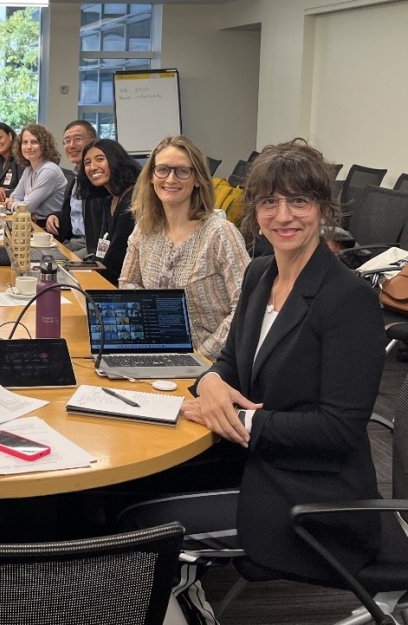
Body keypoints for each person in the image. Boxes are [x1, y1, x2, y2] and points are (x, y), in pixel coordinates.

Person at [123, 139, 386, 625]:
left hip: (314, 497)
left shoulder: (348, 300)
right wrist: (210, 384)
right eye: (269, 201)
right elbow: (230, 364)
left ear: (324, 209)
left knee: (141, 527)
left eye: (299, 201)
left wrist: (237, 417)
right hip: (255, 462)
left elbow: (338, 431)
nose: (283, 215)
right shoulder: (261, 274)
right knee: (121, 492)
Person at [120, 135, 249, 361]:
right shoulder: (145, 228)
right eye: (162, 170)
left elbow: (246, 307)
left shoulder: (221, 233)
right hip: (156, 353)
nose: (170, 178)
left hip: (213, 364)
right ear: (151, 176)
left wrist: (200, 356)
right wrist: (148, 324)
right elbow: (128, 282)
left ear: (197, 179)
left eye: (182, 171)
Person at [70, 140, 139, 283]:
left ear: (117, 160)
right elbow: (102, 250)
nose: (92, 167)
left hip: (119, 285)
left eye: (100, 159)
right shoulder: (109, 201)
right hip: (105, 277)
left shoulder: (132, 202)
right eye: (87, 163)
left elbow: (116, 260)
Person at [46, 120, 101, 255]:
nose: (71, 145)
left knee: (51, 266)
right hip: (72, 241)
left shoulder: (99, 180)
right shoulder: (74, 178)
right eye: (67, 141)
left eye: (77, 139)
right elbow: (76, 213)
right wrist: (56, 215)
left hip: (92, 246)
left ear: (93, 142)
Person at [4, 123, 68, 226]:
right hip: (32, 223)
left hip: (49, 228)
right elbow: (15, 196)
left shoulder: (49, 170)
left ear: (44, 145)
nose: (28, 147)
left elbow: (27, 207)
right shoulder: (29, 169)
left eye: (34, 142)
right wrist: (23, 208)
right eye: (25, 142)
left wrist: (10, 204)